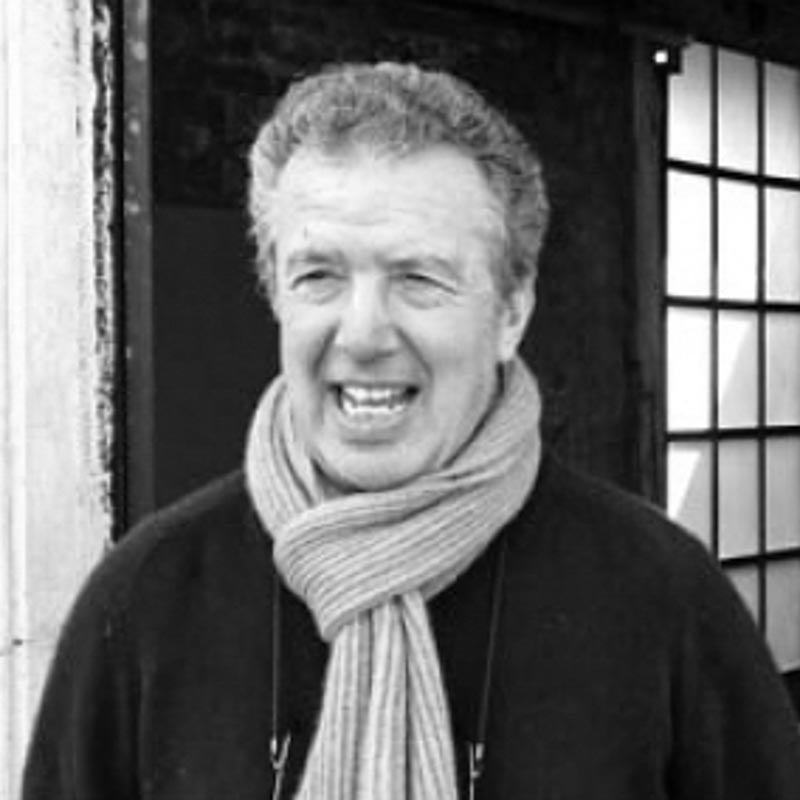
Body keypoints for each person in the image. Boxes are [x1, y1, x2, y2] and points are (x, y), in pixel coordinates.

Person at [23, 62, 800, 800]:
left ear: (512, 311)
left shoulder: (661, 601)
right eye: (319, 275)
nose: (362, 333)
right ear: (276, 295)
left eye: (418, 278)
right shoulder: (147, 600)